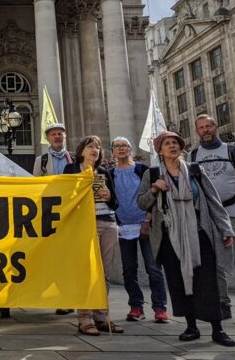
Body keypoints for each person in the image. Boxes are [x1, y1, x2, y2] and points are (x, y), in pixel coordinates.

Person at [138, 131, 235, 346]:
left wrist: (226, 229)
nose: (172, 146)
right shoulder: (153, 174)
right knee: (179, 281)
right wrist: (155, 189)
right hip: (168, 236)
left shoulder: (194, 170)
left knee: (208, 281)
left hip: (199, 232)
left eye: (175, 142)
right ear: (160, 150)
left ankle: (218, 329)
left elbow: (213, 201)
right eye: (167, 143)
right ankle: (191, 327)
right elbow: (142, 203)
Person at [63, 135, 123, 336]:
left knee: (104, 273)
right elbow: (63, 198)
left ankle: (102, 316)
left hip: (107, 222)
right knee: (86, 272)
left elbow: (115, 203)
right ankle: (84, 318)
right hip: (83, 225)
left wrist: (109, 197)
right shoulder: (71, 170)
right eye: (90, 146)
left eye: (97, 147)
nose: (94, 150)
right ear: (81, 151)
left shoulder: (104, 172)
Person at [109, 137, 168, 323]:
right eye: (117, 146)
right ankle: (136, 306)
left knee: (154, 269)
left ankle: (160, 308)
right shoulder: (110, 174)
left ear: (130, 150)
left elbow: (153, 198)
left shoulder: (143, 170)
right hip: (123, 227)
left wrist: (147, 220)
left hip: (145, 224)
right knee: (129, 269)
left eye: (124, 146)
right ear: (112, 151)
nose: (121, 149)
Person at [190, 114, 235, 320]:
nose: (206, 130)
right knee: (216, 264)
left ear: (216, 127)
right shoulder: (193, 156)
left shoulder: (232, 151)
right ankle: (222, 305)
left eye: (209, 126)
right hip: (208, 219)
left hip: (234, 215)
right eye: (201, 127)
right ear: (197, 131)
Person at [33, 123, 75, 316]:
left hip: (73, 214)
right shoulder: (40, 161)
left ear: (65, 137)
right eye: (53, 134)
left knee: (70, 259)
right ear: (47, 138)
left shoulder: (74, 159)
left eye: (60, 134)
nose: (57, 137)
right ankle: (59, 297)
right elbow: (35, 188)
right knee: (54, 258)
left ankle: (70, 297)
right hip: (50, 215)